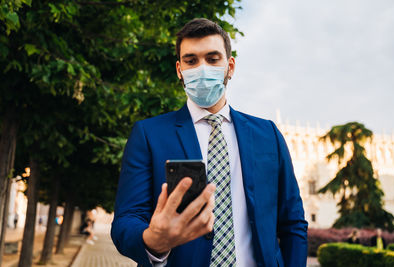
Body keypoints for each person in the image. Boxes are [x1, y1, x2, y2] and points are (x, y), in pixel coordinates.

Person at [111, 18, 308, 267]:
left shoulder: (268, 134)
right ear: (179, 70)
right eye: (191, 60)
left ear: (230, 66)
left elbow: (293, 223)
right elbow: (126, 220)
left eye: (213, 59)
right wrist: (154, 240)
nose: (202, 68)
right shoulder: (149, 134)